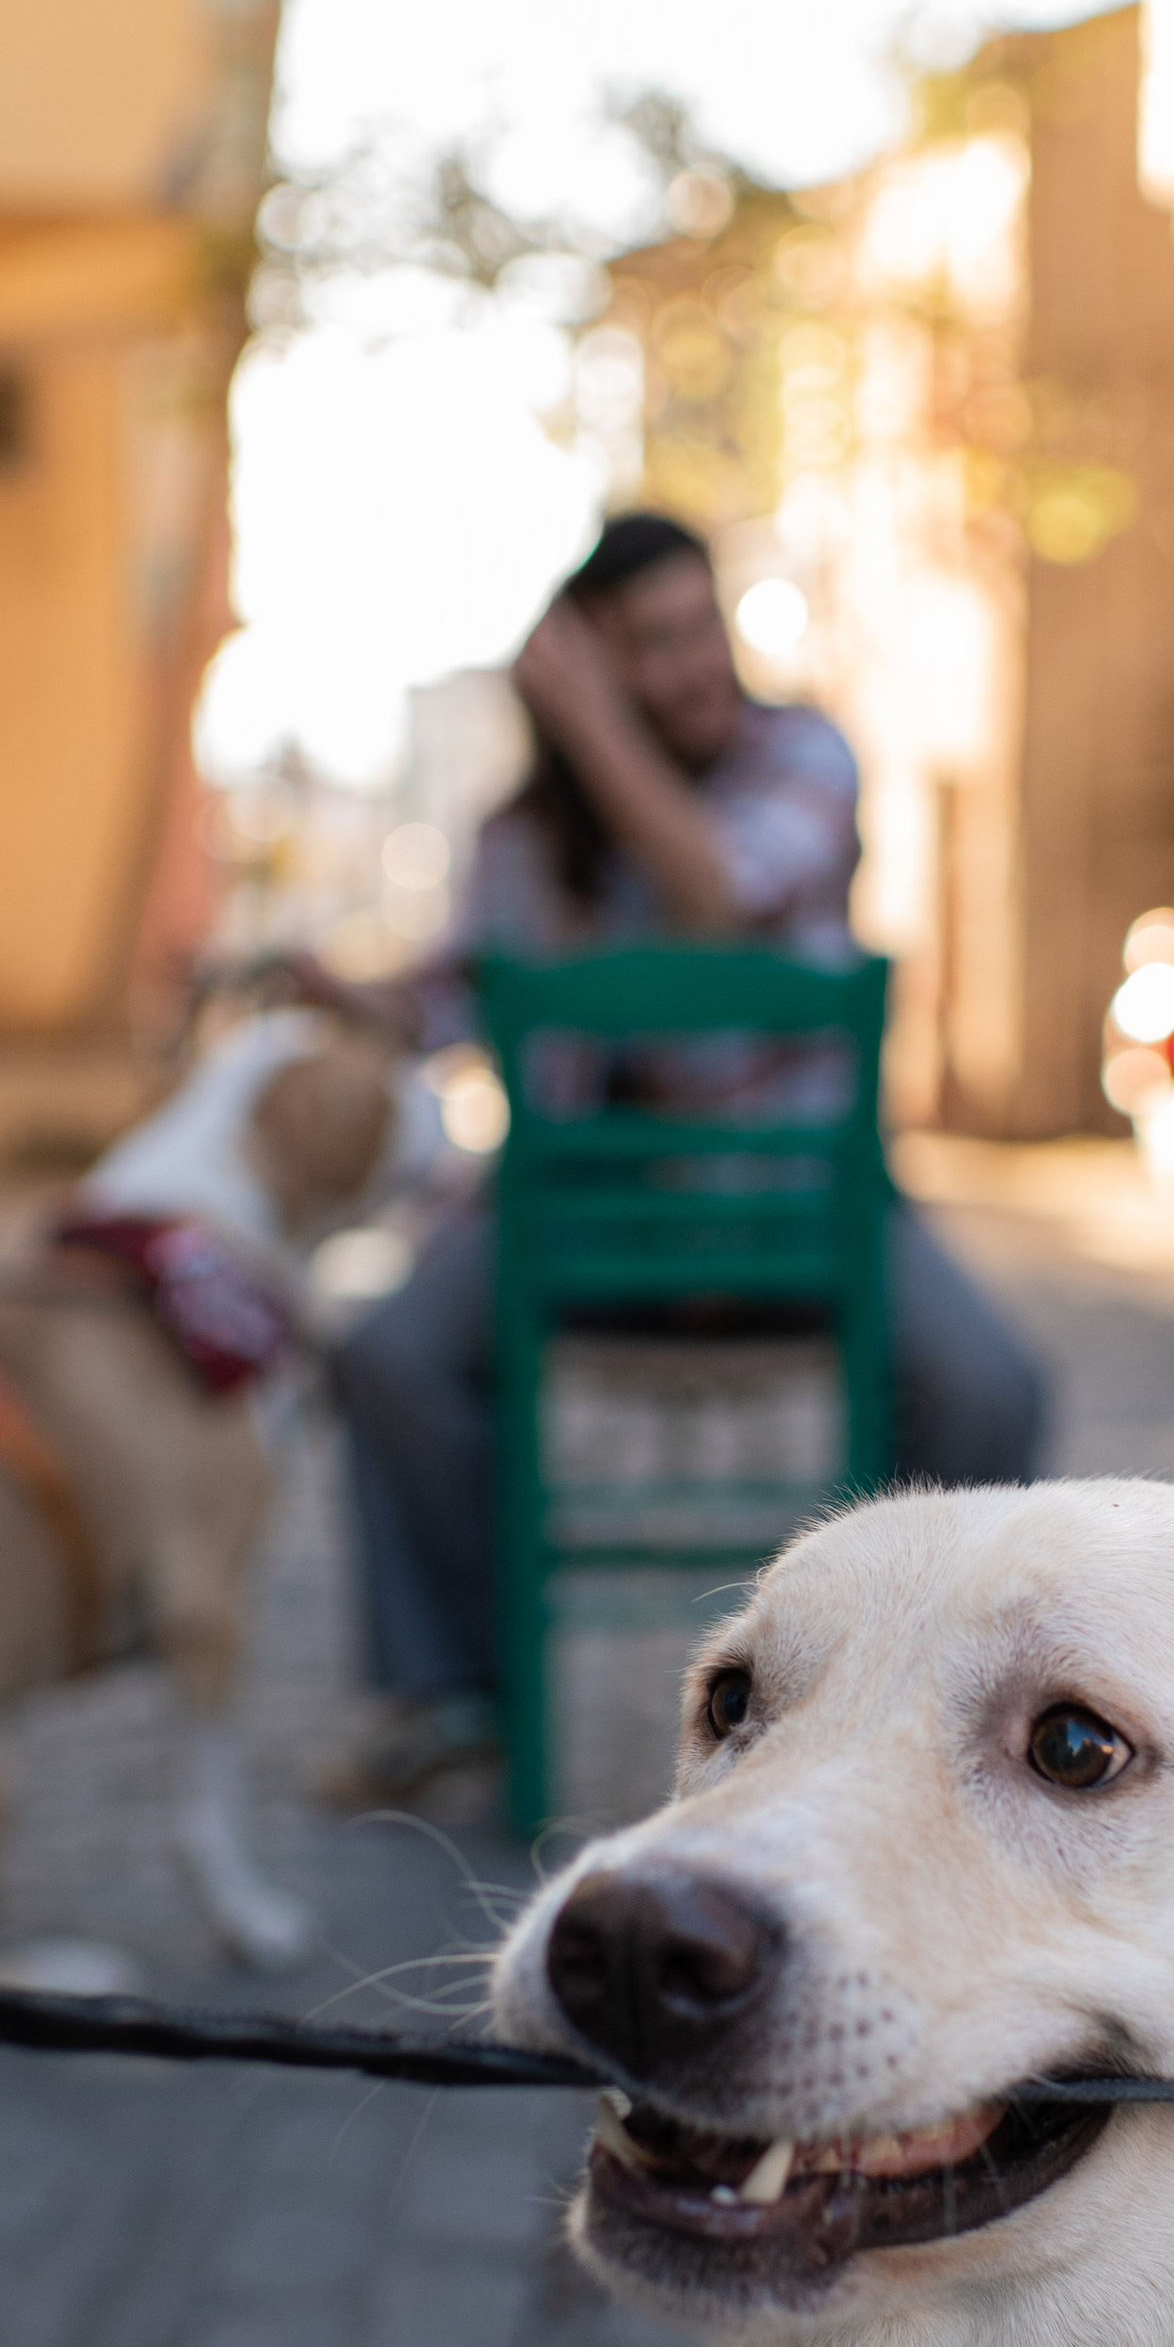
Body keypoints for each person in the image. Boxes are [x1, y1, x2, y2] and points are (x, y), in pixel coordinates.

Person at [312, 509, 1048, 1807]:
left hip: (800, 1206)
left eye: (702, 625)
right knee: (387, 1354)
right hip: (577, 1220)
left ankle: (934, 1707)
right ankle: (455, 1701)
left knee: (990, 1383)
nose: (697, 664)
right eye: (652, 646)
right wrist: (346, 996)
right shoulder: (524, 838)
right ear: (592, 664)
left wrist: (595, 723)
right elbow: (453, 997)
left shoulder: (804, 759)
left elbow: (720, 890)